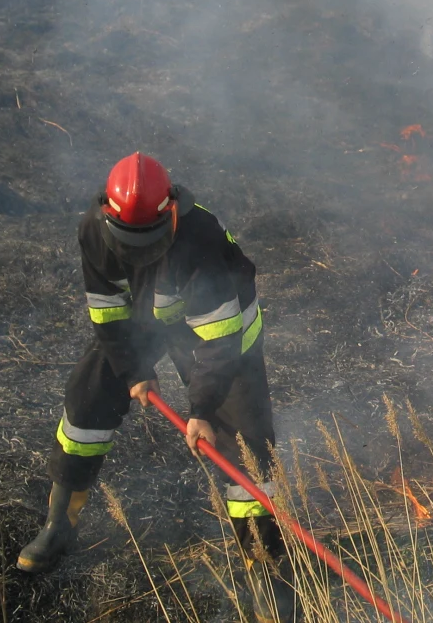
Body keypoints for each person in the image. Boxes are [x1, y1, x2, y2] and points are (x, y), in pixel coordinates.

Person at [17, 153, 293, 609]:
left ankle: (264, 565)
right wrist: (135, 370)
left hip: (218, 332)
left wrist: (202, 409)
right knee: (86, 403)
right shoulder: (93, 229)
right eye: (129, 240)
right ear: (108, 213)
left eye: (149, 240)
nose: (138, 251)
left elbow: (220, 340)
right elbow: (106, 310)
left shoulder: (200, 238)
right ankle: (59, 523)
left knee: (245, 440)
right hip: (142, 323)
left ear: (170, 213)